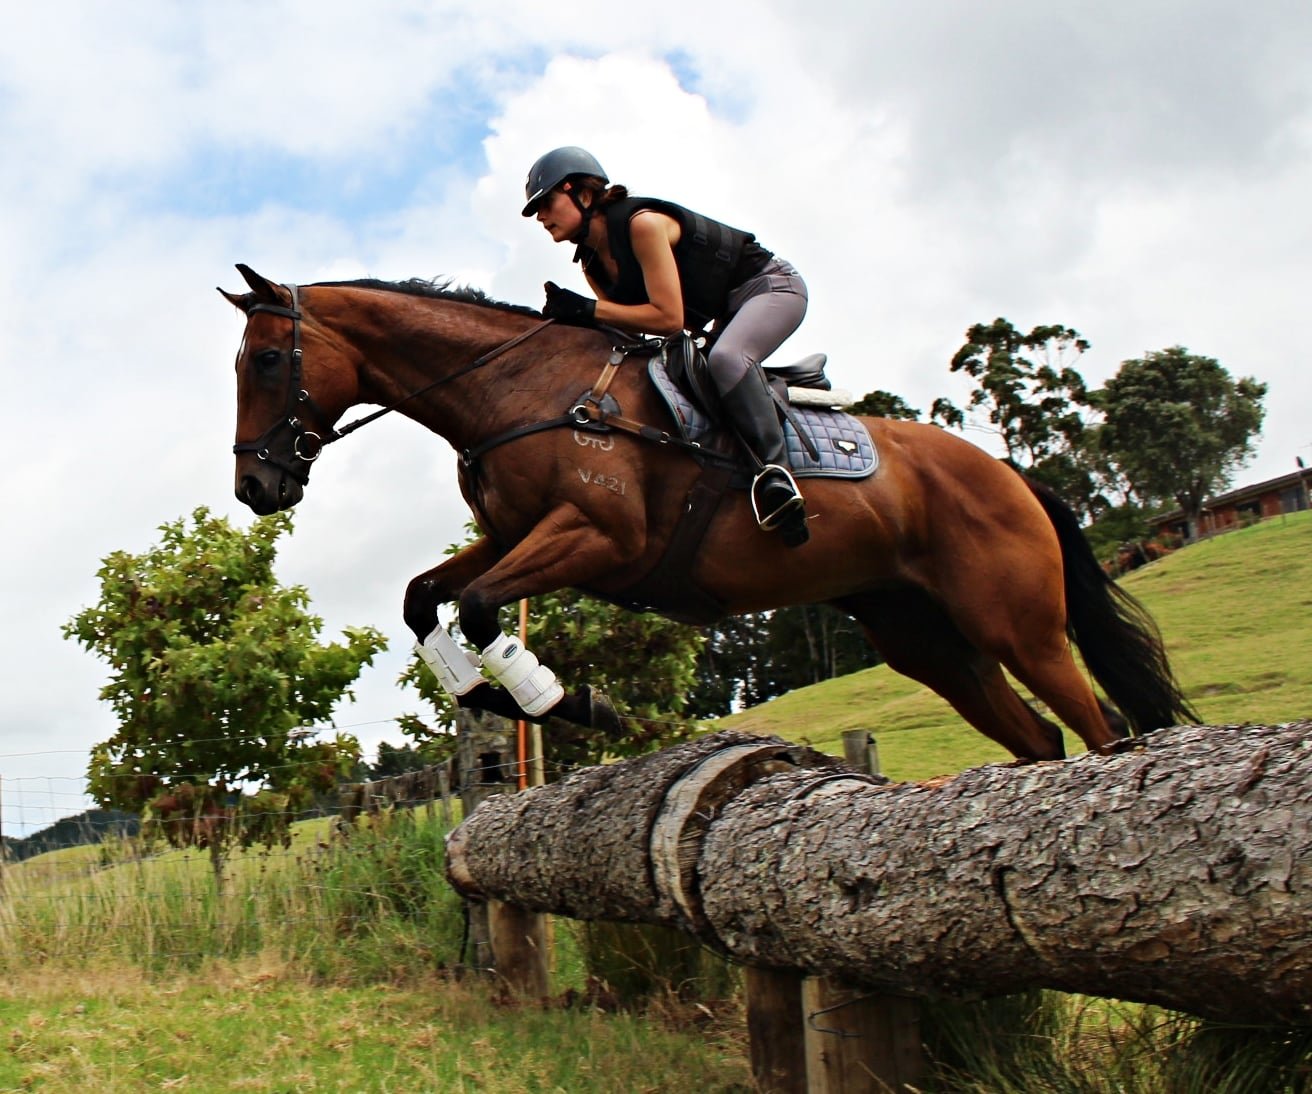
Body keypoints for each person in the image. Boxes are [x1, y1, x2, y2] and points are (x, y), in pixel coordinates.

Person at [521, 146, 809, 546]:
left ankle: (776, 475)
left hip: (771, 287)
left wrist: (588, 309)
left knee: (727, 360)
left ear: (582, 194)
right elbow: (627, 335)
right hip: (724, 315)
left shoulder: (643, 225)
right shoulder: (592, 264)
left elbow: (668, 319)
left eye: (546, 203)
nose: (540, 217)